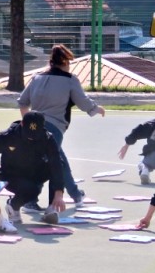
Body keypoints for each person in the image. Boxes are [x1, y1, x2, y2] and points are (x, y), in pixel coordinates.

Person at [18, 44, 105, 206]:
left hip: (34, 127)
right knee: (52, 162)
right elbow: (83, 101)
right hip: (54, 127)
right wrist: (96, 109)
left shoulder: (36, 78)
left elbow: (23, 102)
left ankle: (75, 194)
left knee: (56, 160)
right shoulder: (70, 80)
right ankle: (31, 199)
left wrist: (27, 123)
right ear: (65, 62)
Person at [0, 112, 65, 225]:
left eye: (35, 134)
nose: (31, 137)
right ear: (22, 124)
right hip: (12, 175)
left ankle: (52, 207)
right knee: (32, 190)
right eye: (29, 133)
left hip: (34, 172)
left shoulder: (47, 138)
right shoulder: (8, 136)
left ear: (42, 127)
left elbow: (56, 163)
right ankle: (13, 206)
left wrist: (59, 193)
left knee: (60, 164)